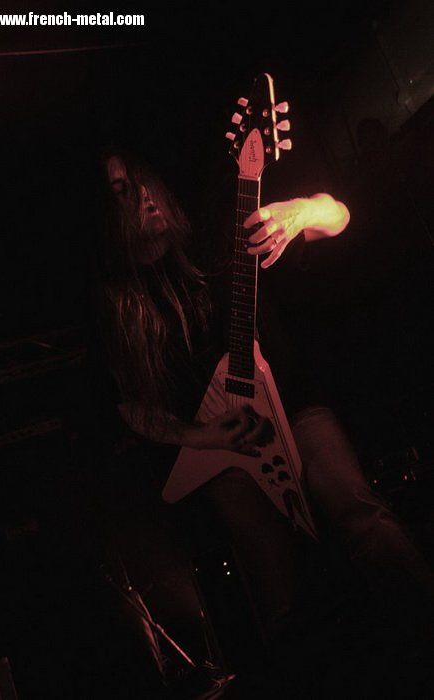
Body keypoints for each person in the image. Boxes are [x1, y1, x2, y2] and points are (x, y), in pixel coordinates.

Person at [89, 145, 434, 697]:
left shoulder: (218, 237)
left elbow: (340, 215)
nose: (145, 196)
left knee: (361, 514)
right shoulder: (117, 301)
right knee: (277, 586)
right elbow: (132, 409)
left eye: (144, 181)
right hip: (223, 448)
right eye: (122, 190)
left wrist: (300, 210)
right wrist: (203, 435)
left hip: (293, 407)